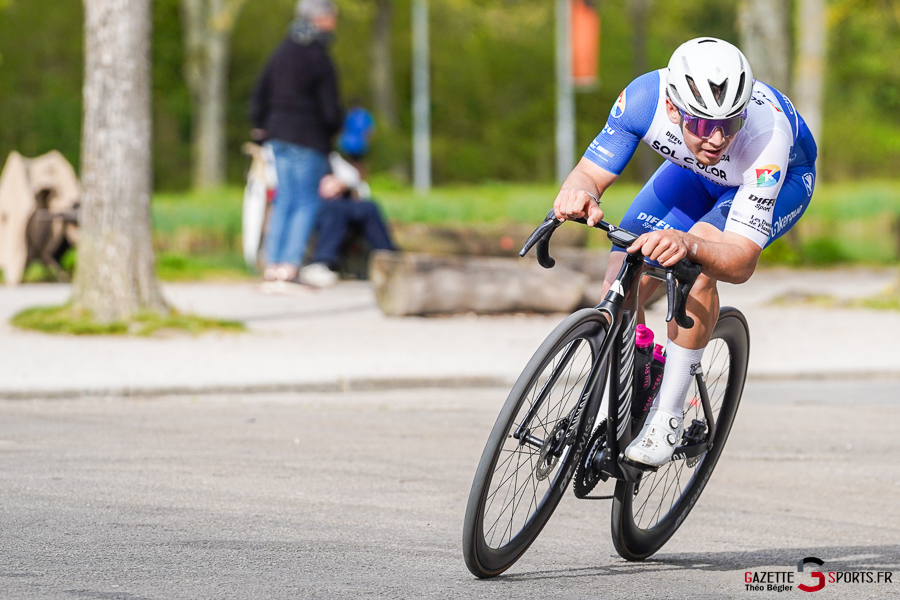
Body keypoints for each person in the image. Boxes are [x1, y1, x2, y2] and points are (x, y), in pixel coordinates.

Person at [553, 38, 817, 467]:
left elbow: (739, 261)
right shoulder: (643, 100)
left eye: (729, 124)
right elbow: (587, 174)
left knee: (696, 267)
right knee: (620, 275)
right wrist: (577, 195)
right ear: (673, 110)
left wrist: (690, 242)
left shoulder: (765, 138)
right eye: (701, 124)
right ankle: (633, 372)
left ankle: (668, 415)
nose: (715, 139)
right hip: (691, 173)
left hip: (771, 179)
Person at [249, 0, 343, 284]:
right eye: (333, 15)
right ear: (322, 18)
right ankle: (289, 265)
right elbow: (330, 108)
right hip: (307, 137)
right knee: (305, 201)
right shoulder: (318, 55)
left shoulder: (283, 50)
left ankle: (272, 264)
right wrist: (335, 128)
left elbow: (260, 91)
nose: (335, 21)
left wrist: (260, 124)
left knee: (285, 198)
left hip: (277, 136)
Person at [298, 153, 396, 287]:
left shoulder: (328, 155)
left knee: (369, 207)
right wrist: (316, 186)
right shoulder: (287, 154)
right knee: (335, 209)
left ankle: (392, 259)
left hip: (339, 203)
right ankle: (321, 262)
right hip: (309, 205)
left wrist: (339, 183)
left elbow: (353, 176)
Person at [337, 100, 375, 178]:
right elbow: (369, 130)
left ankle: (352, 178)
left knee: (350, 162)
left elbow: (342, 128)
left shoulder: (349, 114)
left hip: (349, 143)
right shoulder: (364, 115)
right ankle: (360, 178)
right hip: (359, 143)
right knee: (359, 162)